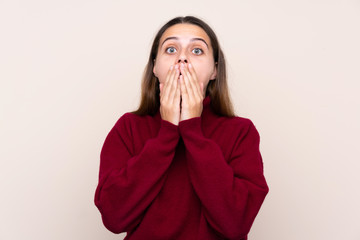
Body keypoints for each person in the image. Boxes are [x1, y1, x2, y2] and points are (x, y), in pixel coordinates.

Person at [94, 16, 269, 240]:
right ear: (155, 67)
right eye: (170, 49)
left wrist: (192, 129)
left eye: (197, 51)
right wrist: (167, 131)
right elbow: (114, 217)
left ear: (214, 71)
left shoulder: (241, 132)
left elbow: (236, 224)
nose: (183, 58)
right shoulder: (128, 127)